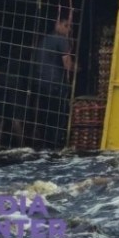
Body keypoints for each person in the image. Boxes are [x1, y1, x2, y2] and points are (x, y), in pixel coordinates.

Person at [33, 16, 75, 147]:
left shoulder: (45, 39)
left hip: (41, 83)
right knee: (57, 118)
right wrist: (78, 67)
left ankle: (44, 144)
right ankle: (54, 146)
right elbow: (68, 65)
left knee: (44, 115)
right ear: (57, 24)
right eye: (66, 25)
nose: (69, 30)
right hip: (55, 84)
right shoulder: (62, 40)